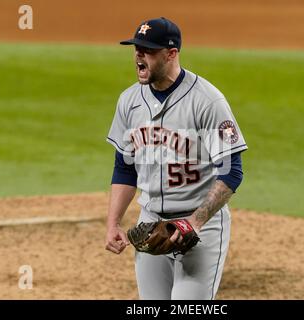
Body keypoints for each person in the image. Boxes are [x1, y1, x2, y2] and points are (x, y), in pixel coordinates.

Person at [104, 17, 248, 300]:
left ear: (171, 54)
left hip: (200, 229)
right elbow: (124, 168)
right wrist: (113, 223)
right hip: (150, 224)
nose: (138, 56)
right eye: (136, 49)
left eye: (147, 50)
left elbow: (232, 172)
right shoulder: (129, 101)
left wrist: (194, 221)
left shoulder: (207, 101)